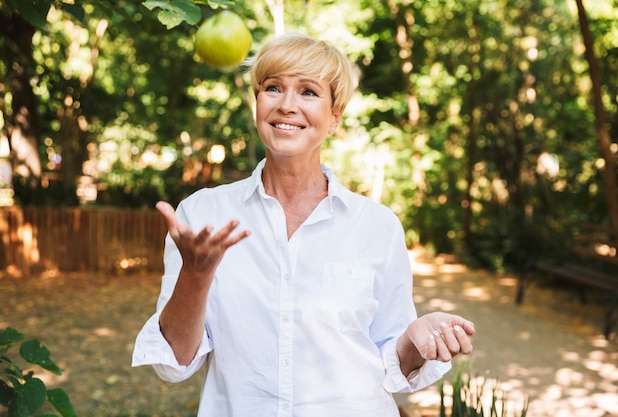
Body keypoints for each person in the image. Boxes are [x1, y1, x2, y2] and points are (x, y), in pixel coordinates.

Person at [132, 32, 475, 417]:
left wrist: (414, 337)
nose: (287, 105)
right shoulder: (202, 216)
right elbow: (174, 363)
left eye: (309, 92)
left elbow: (392, 358)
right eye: (273, 88)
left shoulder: (377, 226)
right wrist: (195, 277)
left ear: (335, 116)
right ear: (257, 102)